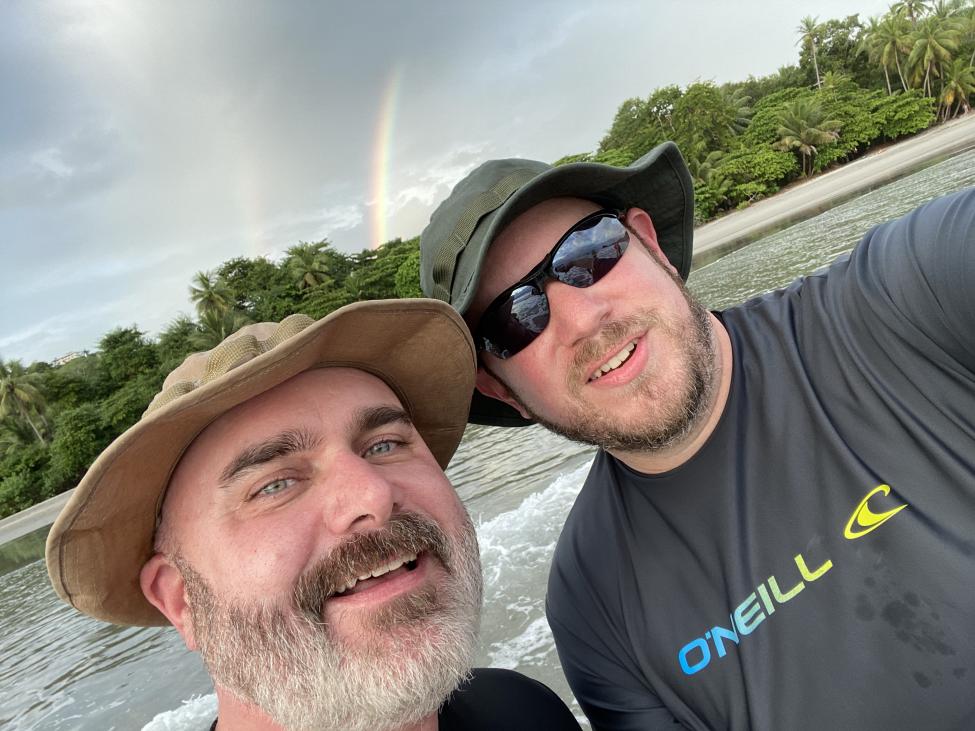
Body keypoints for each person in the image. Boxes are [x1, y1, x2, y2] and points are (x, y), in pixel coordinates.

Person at [418, 142, 975, 730]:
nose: (583, 320)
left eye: (589, 251)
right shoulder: (594, 606)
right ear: (501, 389)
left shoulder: (903, 299)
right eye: (515, 317)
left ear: (649, 241)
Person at [46, 299, 581, 731]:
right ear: (181, 599)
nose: (370, 495)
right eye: (275, 483)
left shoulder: (523, 711)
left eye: (385, 444)